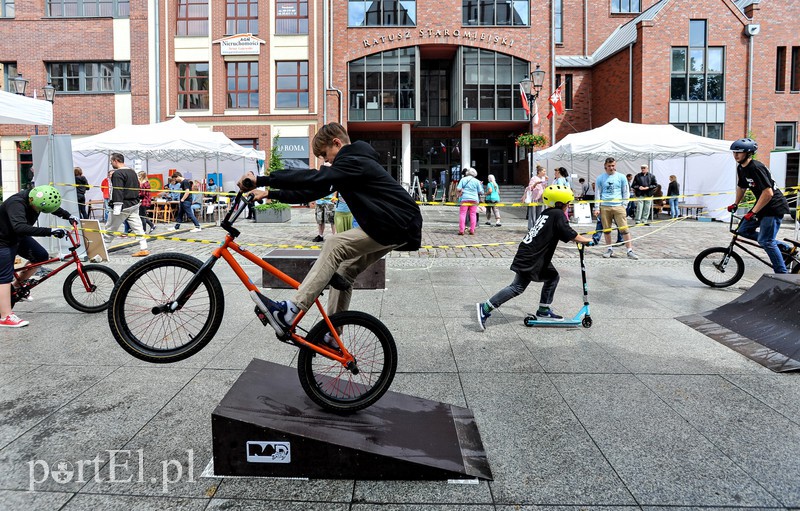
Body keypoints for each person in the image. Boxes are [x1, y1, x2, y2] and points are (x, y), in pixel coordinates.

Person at [237, 122, 422, 343]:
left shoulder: (354, 160)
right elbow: (312, 190)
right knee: (344, 271)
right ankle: (333, 333)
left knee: (334, 244)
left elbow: (314, 177)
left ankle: (291, 310)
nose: (327, 161)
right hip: (399, 225)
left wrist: (262, 178)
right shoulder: (350, 166)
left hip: (395, 223)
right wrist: (269, 193)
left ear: (337, 143)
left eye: (326, 155)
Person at [476, 185, 596, 330]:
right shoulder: (558, 214)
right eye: (568, 203)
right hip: (532, 257)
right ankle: (485, 308)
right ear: (562, 202)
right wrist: (587, 240)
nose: (569, 206)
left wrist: (579, 239)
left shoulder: (548, 212)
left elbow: (563, 232)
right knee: (517, 287)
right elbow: (569, 233)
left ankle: (544, 310)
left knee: (552, 277)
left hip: (533, 255)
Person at [0, 185, 78, 327]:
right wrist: (50, 231)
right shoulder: (16, 203)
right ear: (31, 199)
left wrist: (68, 216)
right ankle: (5, 317)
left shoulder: (39, 198)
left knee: (41, 256)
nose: (39, 211)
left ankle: (16, 288)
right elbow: (19, 226)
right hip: (3, 240)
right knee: (4, 277)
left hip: (18, 237)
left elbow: (51, 207)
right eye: (39, 209)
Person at [727, 138, 792, 273]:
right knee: (743, 230)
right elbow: (741, 187)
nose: (736, 155)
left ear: (748, 153)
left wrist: (754, 212)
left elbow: (768, 193)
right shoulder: (741, 168)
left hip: (773, 206)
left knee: (766, 241)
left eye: (739, 152)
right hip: (762, 205)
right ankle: (783, 247)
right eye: (734, 152)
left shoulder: (756, 167)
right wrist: (735, 203)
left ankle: (782, 274)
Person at [104, 154, 150, 257]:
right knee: (138, 227)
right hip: (134, 204)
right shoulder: (132, 172)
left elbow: (118, 190)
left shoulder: (118, 173)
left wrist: (116, 206)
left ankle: (101, 253)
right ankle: (144, 248)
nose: (111, 163)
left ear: (116, 160)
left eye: (111, 161)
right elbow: (137, 186)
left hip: (123, 205)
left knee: (110, 229)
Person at [594, 157, 638, 260]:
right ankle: (609, 249)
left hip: (619, 206)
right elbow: (598, 193)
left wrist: (624, 205)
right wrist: (597, 207)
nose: (611, 168)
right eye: (609, 166)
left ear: (615, 165)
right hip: (605, 206)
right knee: (607, 230)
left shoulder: (621, 177)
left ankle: (629, 250)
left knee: (624, 229)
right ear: (605, 166)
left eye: (613, 165)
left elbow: (625, 191)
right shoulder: (600, 178)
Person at [457, 167, 483, 235]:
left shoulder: (463, 179)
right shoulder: (477, 181)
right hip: (474, 199)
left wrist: (462, 190)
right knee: (473, 214)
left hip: (465, 198)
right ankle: (472, 230)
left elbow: (458, 188)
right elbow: (480, 191)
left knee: (463, 214)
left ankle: (461, 230)